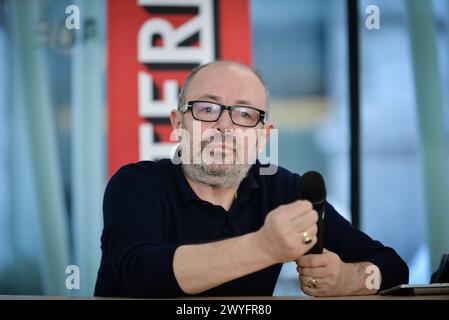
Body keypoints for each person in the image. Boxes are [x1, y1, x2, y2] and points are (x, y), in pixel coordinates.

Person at [94, 61, 408, 297]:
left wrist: (346, 278)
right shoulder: (136, 184)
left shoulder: (286, 190)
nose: (224, 126)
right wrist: (265, 247)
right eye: (206, 108)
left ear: (262, 137)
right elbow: (141, 277)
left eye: (244, 114)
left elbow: (393, 267)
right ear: (178, 124)